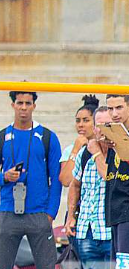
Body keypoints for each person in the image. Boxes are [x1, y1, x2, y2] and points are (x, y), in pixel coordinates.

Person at [0, 91, 62, 269]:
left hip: (39, 213)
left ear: (34, 105)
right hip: (9, 212)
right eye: (20, 103)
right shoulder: (0, 138)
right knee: (1, 265)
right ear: (13, 105)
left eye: (28, 103)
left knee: (47, 265)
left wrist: (50, 214)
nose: (24, 108)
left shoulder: (48, 137)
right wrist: (4, 177)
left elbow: (56, 180)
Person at [64, 106, 112, 269]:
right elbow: (74, 185)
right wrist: (71, 216)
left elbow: (108, 177)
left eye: (107, 125)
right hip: (87, 230)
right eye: (99, 125)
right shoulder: (85, 154)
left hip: (111, 231)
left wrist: (97, 153)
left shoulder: (121, 154)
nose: (102, 130)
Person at [104, 93, 129, 267]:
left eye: (119, 107)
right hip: (115, 210)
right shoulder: (113, 134)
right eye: (110, 108)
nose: (114, 113)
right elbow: (108, 174)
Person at [59, 95, 99, 187]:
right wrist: (75, 150)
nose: (80, 125)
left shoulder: (106, 146)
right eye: (78, 121)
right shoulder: (70, 150)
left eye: (86, 120)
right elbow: (66, 181)